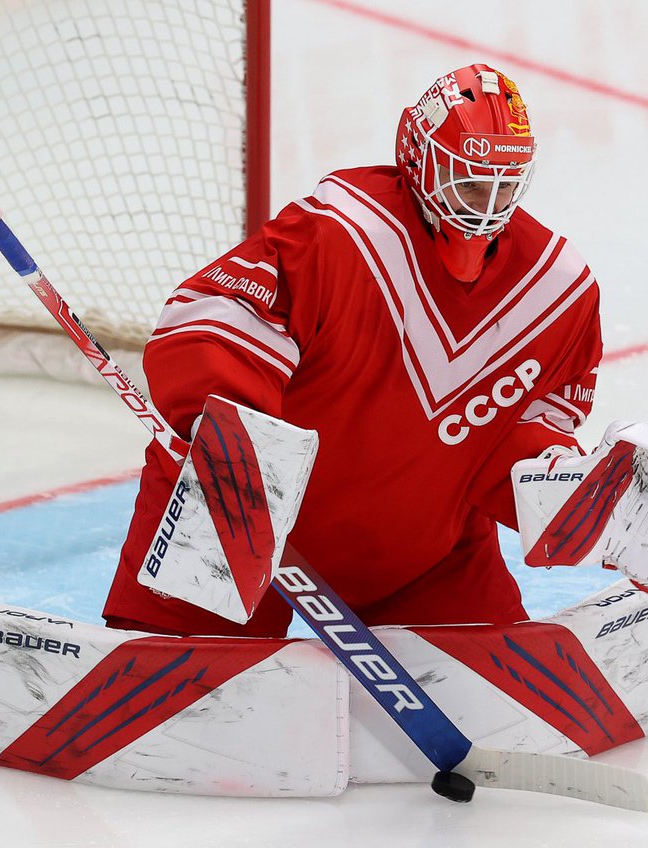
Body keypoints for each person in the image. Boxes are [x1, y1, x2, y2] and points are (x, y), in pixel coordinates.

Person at [104, 63, 602, 637]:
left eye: (505, 183)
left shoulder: (560, 292)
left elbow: (517, 439)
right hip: (234, 517)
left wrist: (578, 497)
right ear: (418, 156)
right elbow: (217, 317)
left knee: (510, 707)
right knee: (176, 706)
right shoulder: (343, 230)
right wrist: (227, 440)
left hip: (418, 556)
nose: (487, 203)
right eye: (469, 181)